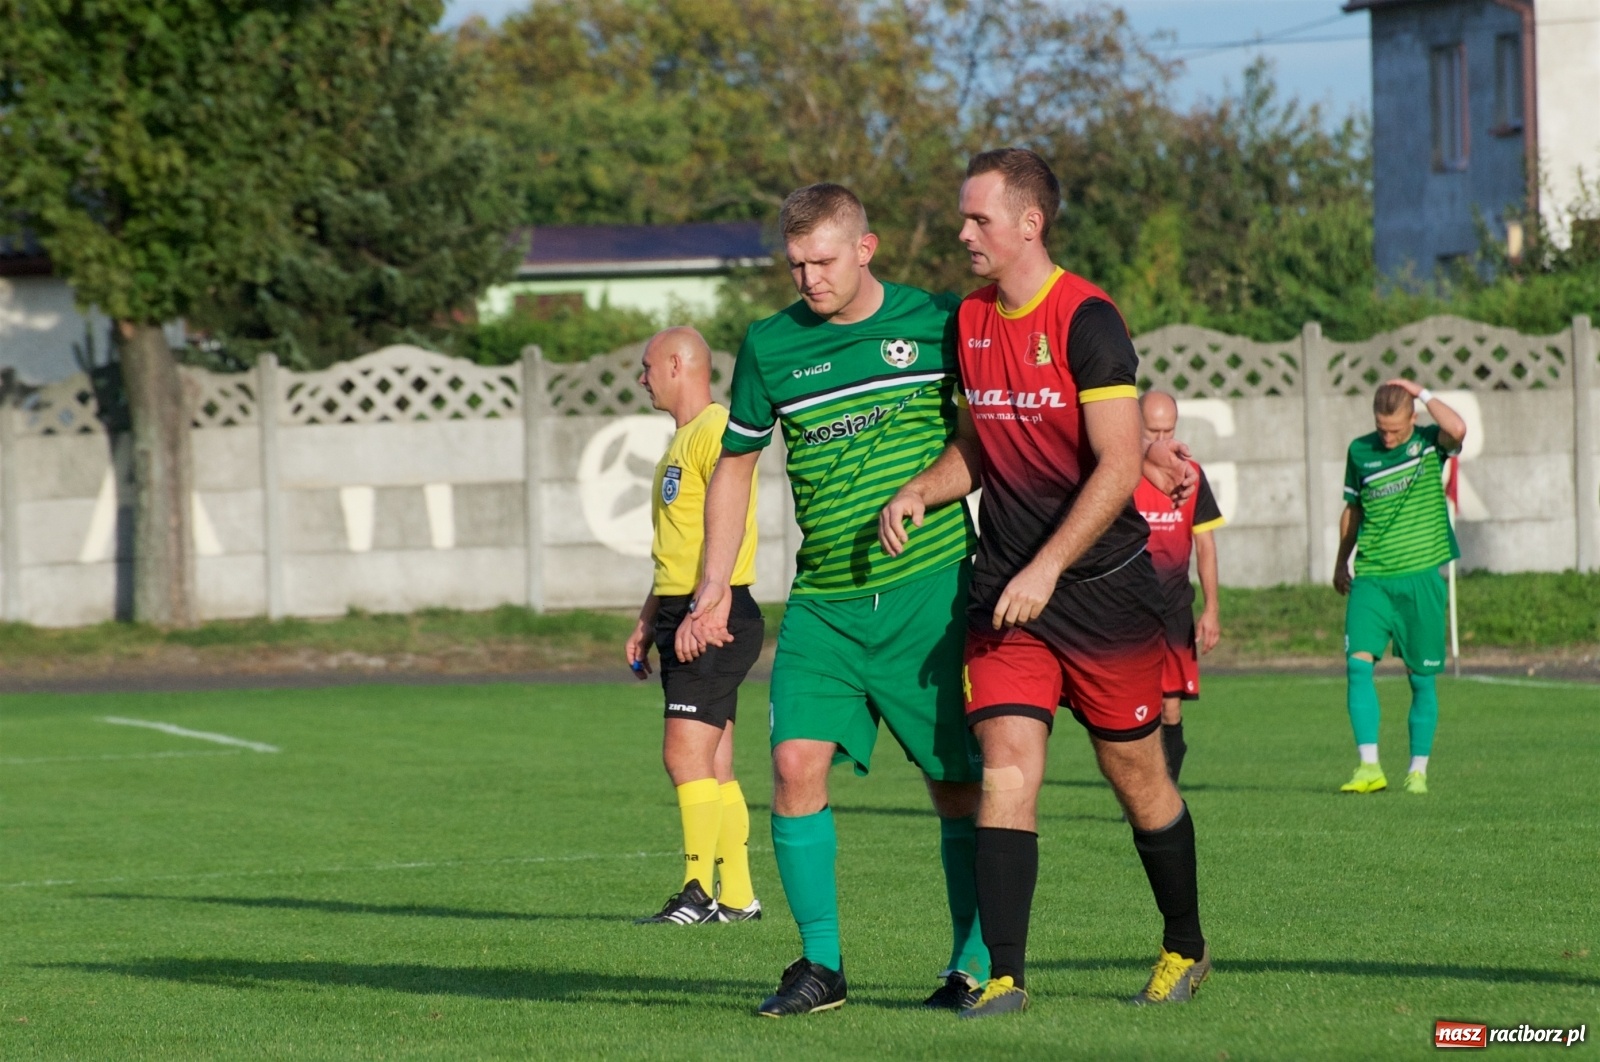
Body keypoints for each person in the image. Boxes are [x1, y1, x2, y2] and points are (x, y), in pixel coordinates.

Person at [879, 148, 1209, 1018]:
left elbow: (1117, 465)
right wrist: (920, 488)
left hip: (1103, 593)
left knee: (1137, 779)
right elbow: (977, 445)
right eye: (963, 216)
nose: (963, 232)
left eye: (978, 218)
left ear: (1030, 223)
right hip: (1007, 598)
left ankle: (1185, 944)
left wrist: (1049, 565)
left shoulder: (1087, 318)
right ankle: (1005, 977)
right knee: (1005, 774)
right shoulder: (968, 321)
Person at [675, 183, 991, 1017]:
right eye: (795, 264)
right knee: (791, 766)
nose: (809, 278)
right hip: (823, 602)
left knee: (957, 785)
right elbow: (734, 467)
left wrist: (922, 490)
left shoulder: (940, 321)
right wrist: (713, 586)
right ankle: (821, 966)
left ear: (865, 248)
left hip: (932, 593)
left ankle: (973, 962)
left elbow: (979, 444)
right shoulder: (771, 344)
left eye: (822, 260)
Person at [625, 327, 764, 925]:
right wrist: (647, 618)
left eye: (647, 366)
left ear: (678, 365)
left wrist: (703, 610)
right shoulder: (682, 440)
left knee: (683, 757)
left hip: (712, 612)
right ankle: (738, 897)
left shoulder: (717, 431)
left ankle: (696, 891)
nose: (642, 378)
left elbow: (722, 535)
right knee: (714, 764)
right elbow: (678, 547)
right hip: (684, 607)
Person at [1332, 378, 1466, 796]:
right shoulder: (1360, 451)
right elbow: (1353, 510)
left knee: (1421, 679)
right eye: (1381, 428)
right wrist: (1341, 561)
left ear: (1413, 418)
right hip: (1372, 576)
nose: (1387, 437)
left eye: (1395, 429)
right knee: (1357, 665)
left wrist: (1419, 391)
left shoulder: (1429, 443)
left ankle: (1417, 771)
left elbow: (1458, 428)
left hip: (1420, 577)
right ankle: (1368, 766)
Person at [1134, 390, 1224, 786]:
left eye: (1168, 430)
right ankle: (1144, 791)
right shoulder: (1121, 471)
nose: (1160, 438)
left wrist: (1212, 609)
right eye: (1152, 430)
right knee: (1136, 707)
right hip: (1128, 607)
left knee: (1170, 708)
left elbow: (1205, 545)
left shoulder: (1191, 475)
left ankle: (1163, 792)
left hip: (1174, 608)